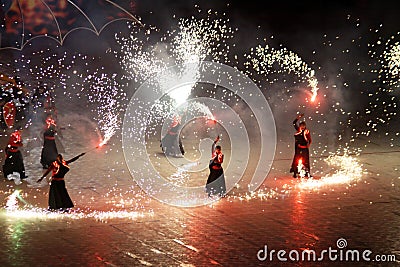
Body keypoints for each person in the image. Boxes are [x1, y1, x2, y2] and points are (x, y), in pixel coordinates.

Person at [290, 113, 312, 178]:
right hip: (298, 148)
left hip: (305, 147)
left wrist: (308, 145)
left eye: (303, 126)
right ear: (300, 126)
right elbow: (294, 122)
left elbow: (310, 139)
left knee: (306, 160)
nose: (302, 127)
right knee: (297, 159)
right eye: (301, 125)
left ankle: (307, 173)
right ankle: (295, 172)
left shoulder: (307, 131)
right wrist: (298, 117)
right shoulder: (298, 130)